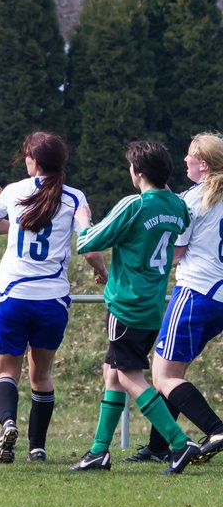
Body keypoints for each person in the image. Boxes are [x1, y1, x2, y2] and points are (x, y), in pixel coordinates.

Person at [70, 140, 200, 474]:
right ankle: (99, 451)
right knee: (112, 373)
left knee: (128, 377)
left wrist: (83, 219)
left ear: (137, 172)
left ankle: (179, 442)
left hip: (126, 304)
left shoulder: (134, 205)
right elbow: (173, 224)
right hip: (153, 305)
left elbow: (88, 241)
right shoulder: (177, 207)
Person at [0, 132, 107, 464]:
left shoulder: (14, 190)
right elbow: (90, 244)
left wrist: (21, 226)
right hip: (52, 301)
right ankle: (37, 447)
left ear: (33, 162)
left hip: (13, 297)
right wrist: (101, 271)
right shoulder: (74, 197)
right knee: (42, 376)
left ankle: (8, 423)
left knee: (6, 372)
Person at [146, 133, 223, 462]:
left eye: (190, 156)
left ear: (202, 164)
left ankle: (216, 428)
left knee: (163, 376)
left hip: (195, 291)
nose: (184, 161)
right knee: (175, 372)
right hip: (218, 297)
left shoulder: (192, 199)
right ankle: (158, 446)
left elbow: (175, 251)